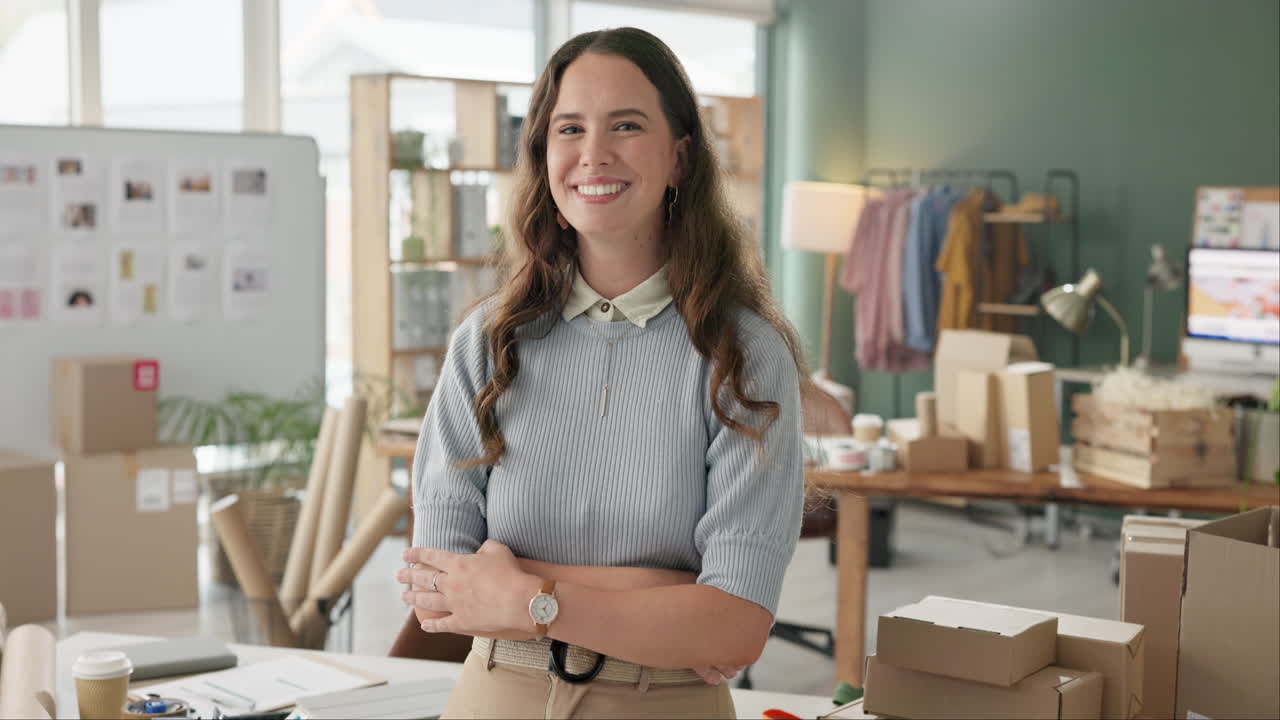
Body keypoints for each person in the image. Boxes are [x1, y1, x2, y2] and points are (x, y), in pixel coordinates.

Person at [398, 27, 807, 719]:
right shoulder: (485, 342)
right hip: (495, 699)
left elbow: (735, 625)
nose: (594, 154)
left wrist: (524, 596)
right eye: (570, 128)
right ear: (543, 154)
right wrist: (668, 593)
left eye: (626, 125)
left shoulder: (746, 354)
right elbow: (441, 594)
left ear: (679, 157)